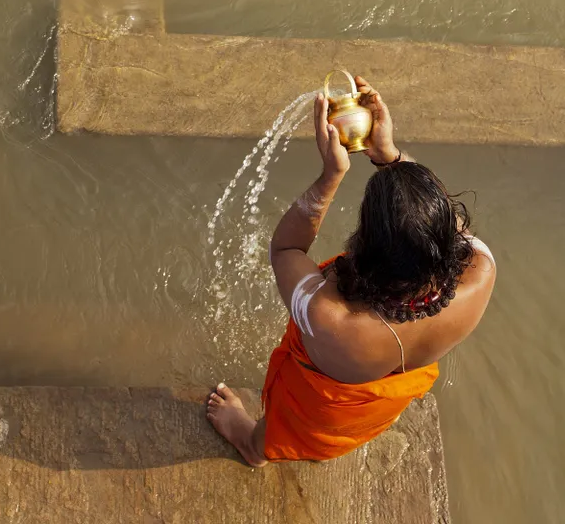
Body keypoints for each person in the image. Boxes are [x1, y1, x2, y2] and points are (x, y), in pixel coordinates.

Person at [206, 76, 496, 466]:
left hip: (319, 408)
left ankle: (252, 446)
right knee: (348, 426)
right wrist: (388, 155)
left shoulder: (333, 318)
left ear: (367, 243)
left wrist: (331, 176)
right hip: (378, 406)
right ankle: (325, 447)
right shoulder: (481, 273)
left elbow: (286, 248)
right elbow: (437, 221)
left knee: (286, 429)